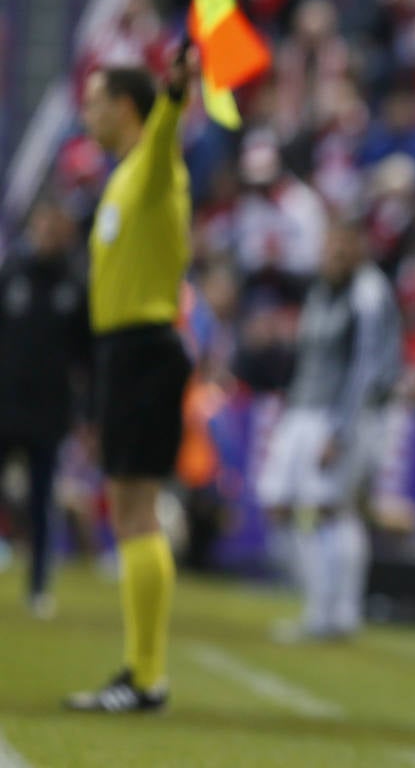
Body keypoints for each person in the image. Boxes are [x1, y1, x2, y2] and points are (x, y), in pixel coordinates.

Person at [63, 49, 195, 713]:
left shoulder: (150, 165)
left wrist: (174, 95)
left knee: (137, 510)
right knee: (127, 509)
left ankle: (146, 677)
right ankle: (141, 673)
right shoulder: (122, 178)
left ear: (123, 106)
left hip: (143, 349)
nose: (84, 111)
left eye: (93, 99)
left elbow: (167, 130)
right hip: (124, 354)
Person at [257, 219, 403, 642]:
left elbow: (366, 368)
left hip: (337, 414)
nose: (333, 256)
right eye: (329, 248)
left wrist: (340, 429)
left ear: (360, 249)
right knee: (280, 503)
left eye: (342, 248)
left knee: (331, 509)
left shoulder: (369, 295)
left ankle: (336, 614)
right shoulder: (322, 288)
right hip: (303, 406)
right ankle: (322, 605)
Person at [0, 200, 90, 619]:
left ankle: (38, 585)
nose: (48, 235)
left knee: (41, 500)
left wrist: (87, 415)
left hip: (50, 411)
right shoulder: (11, 275)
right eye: (43, 226)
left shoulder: (75, 286)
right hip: (5, 403)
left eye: (56, 228)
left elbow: (87, 357)